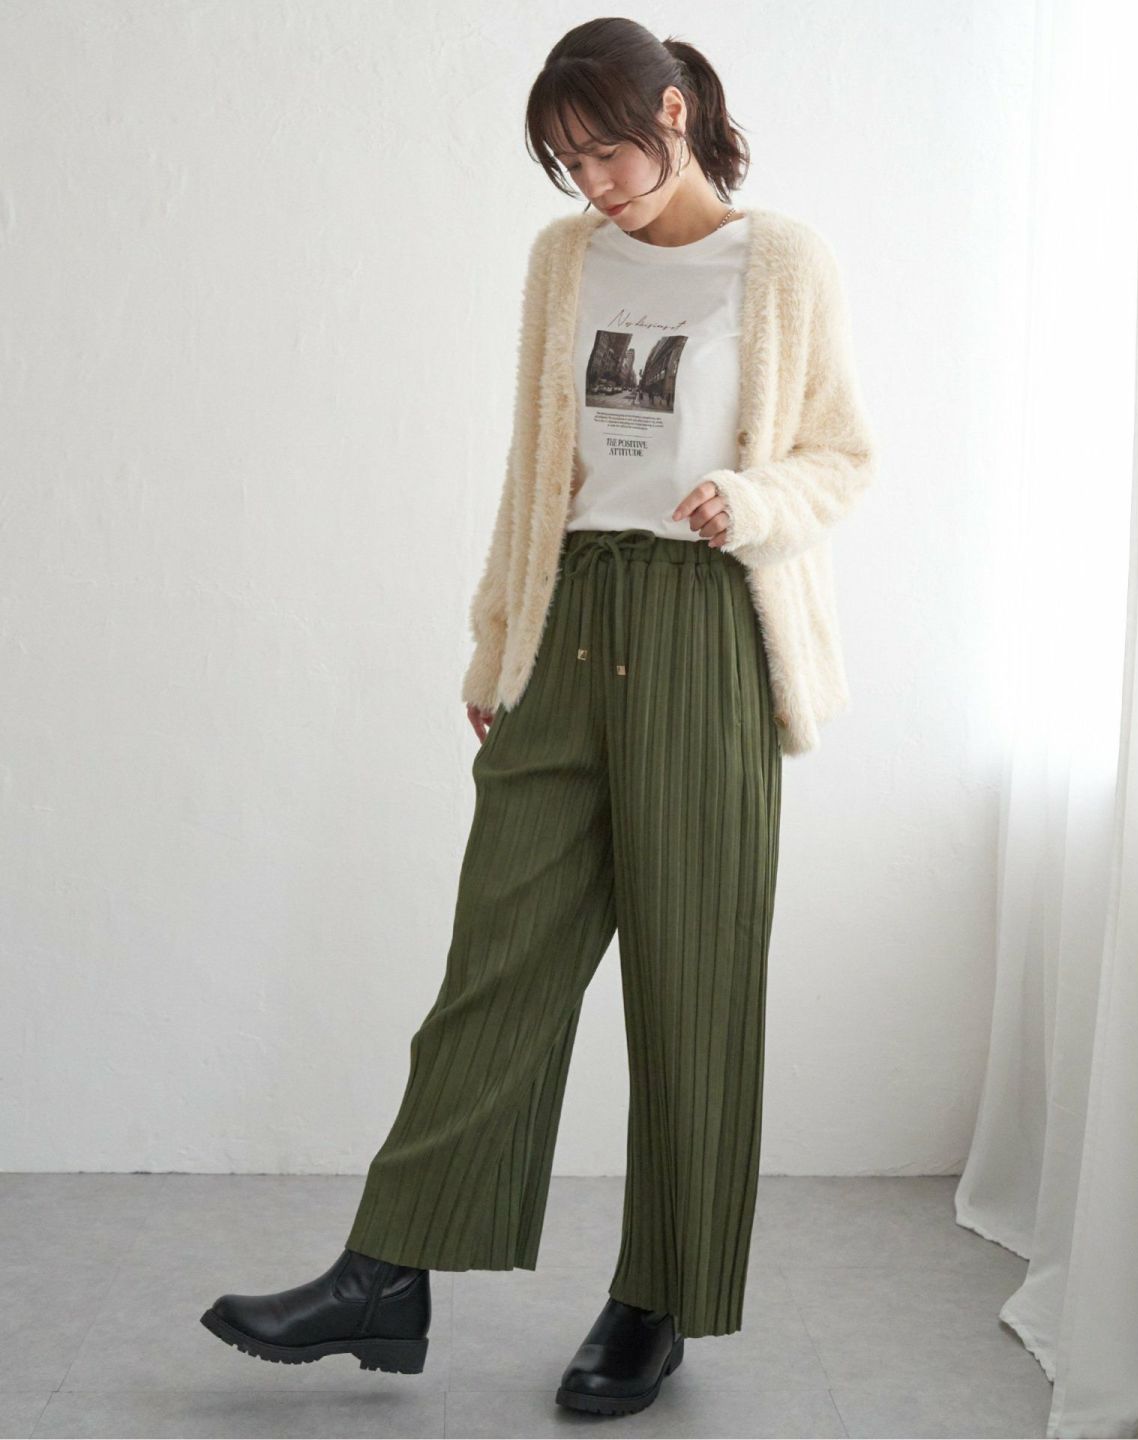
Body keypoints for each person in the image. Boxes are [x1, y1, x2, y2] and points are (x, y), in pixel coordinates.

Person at [200, 16, 878, 1420]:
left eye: (609, 152)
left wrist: (752, 501)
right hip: (568, 619)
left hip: (706, 623)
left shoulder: (782, 262)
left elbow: (841, 455)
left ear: (675, 114)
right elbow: (537, 467)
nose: (595, 186)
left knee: (693, 981)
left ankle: (657, 1299)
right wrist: (498, 640)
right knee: (497, 960)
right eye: (569, 164)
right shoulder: (562, 261)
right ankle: (386, 1272)